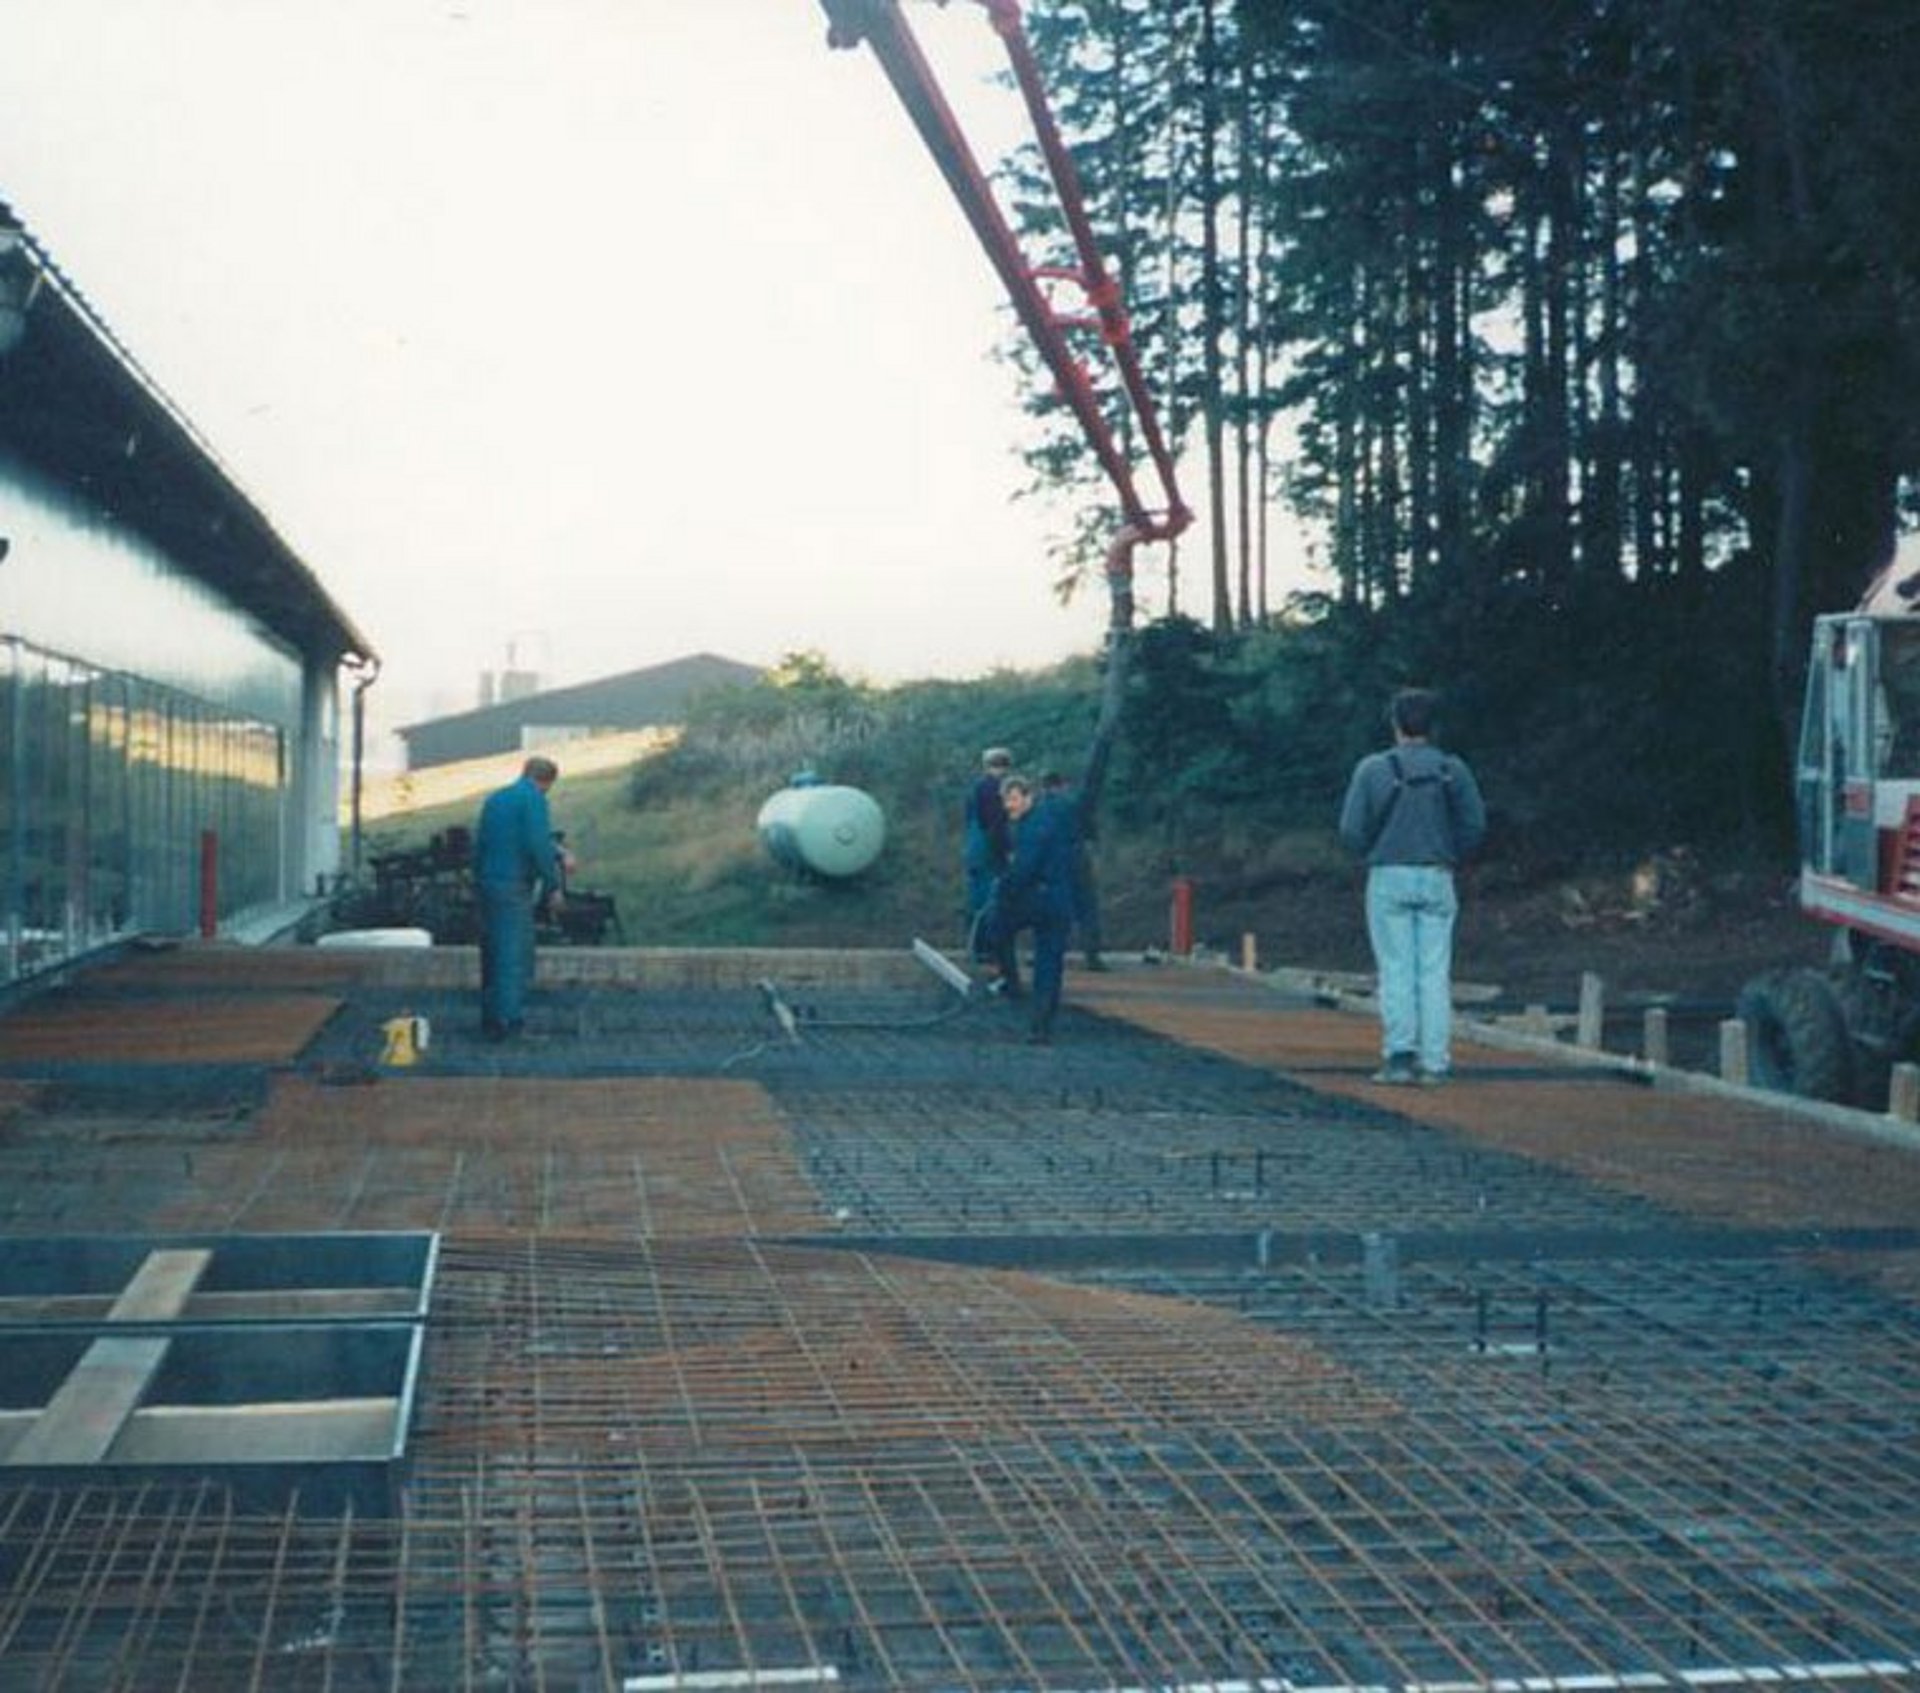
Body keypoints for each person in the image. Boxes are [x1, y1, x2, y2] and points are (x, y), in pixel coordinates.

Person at [1338, 687, 1486, 1085]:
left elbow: (1351, 830)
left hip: (1389, 874)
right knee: (1435, 972)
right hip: (1437, 874)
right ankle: (1435, 1063)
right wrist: (1450, 852)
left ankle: (1399, 1057)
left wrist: (1372, 849)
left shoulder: (1372, 769)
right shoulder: (1453, 769)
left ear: (1394, 723)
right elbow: (1474, 825)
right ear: (1434, 727)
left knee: (1395, 968)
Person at [473, 755, 572, 1041]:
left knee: (491, 952)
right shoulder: (534, 800)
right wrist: (553, 884)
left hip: (488, 882)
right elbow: (537, 843)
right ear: (546, 781)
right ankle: (511, 1022)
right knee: (512, 953)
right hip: (513, 885)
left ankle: (491, 1018)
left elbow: (480, 844)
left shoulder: (495, 799)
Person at [992, 772, 1079, 1043]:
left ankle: (1013, 985)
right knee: (1049, 964)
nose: (1009, 806)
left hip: (1043, 900)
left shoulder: (1034, 828)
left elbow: (1024, 869)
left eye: (1014, 799)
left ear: (1028, 797)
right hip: (1057, 898)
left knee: (999, 928)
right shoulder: (1044, 822)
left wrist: (1003, 889)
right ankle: (1041, 1023)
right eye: (1006, 800)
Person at [1041, 769, 1106, 969]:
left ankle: (1050, 953)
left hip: (1052, 861)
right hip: (1077, 857)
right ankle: (1092, 954)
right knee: (1087, 907)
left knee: (1053, 909)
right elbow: (1089, 831)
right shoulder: (1073, 805)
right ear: (1062, 785)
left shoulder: (1040, 808)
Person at [963, 746, 1014, 966]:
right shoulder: (997, 790)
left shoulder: (975, 788)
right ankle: (987, 948)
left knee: (976, 899)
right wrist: (1007, 852)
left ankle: (976, 946)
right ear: (1006, 766)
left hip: (973, 850)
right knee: (991, 901)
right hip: (989, 853)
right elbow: (996, 826)